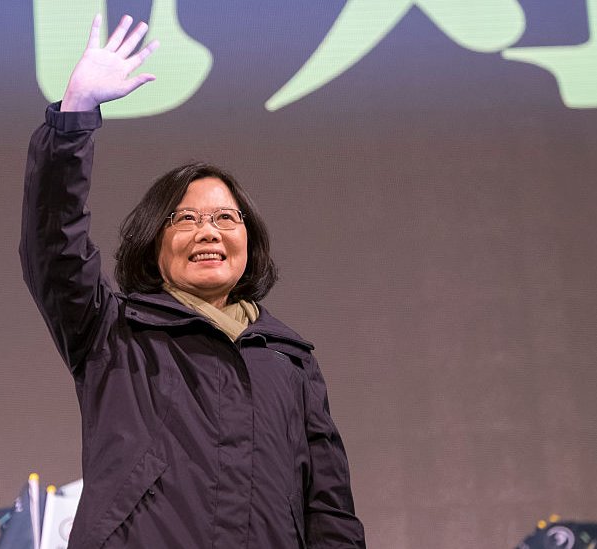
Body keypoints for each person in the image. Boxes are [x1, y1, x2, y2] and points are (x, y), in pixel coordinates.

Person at [20, 14, 366, 548]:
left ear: (249, 243)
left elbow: (329, 510)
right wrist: (74, 117)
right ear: (152, 244)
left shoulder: (290, 360)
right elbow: (53, 246)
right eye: (185, 219)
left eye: (226, 219)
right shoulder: (112, 332)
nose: (209, 232)